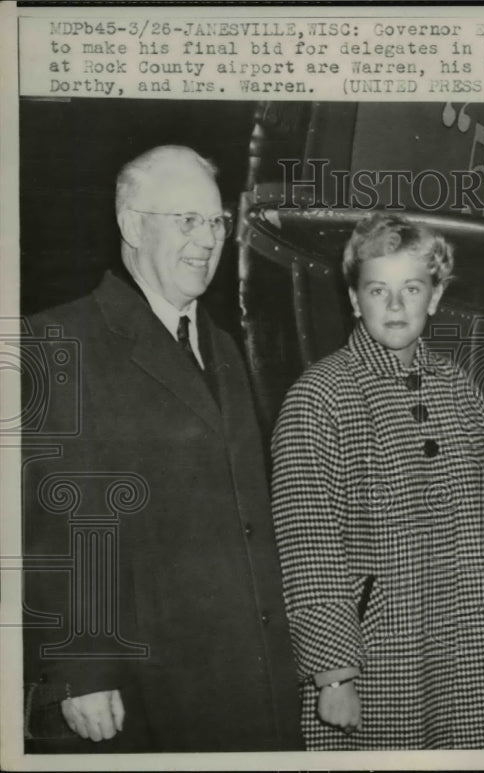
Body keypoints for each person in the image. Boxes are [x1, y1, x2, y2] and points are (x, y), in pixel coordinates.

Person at [21, 146, 302, 752]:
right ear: (130, 224)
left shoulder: (224, 347)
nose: (207, 239)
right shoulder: (58, 339)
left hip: (247, 673)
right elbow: (58, 519)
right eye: (186, 221)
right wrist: (83, 669)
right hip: (148, 687)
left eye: (216, 222)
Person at [270, 212, 484, 750]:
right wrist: (333, 673)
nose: (397, 305)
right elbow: (308, 547)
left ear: (436, 295)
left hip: (466, 649)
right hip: (376, 658)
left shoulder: (462, 391)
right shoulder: (319, 397)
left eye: (412, 288)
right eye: (378, 290)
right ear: (355, 300)